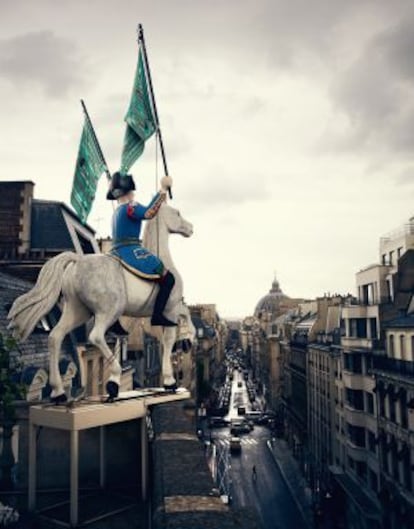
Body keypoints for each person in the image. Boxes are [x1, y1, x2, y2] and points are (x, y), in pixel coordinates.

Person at [106, 171, 176, 327]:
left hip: (113, 251)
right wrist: (163, 189)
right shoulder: (131, 206)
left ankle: (113, 320)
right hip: (131, 250)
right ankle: (157, 315)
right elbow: (149, 212)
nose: (133, 194)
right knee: (168, 277)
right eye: (132, 191)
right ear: (129, 192)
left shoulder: (117, 211)